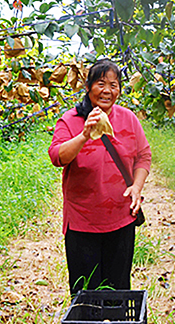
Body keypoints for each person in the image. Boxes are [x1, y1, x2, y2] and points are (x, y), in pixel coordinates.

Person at [48, 59, 151, 295]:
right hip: (83, 221)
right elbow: (57, 156)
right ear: (88, 86)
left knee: (118, 287)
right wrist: (85, 134)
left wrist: (136, 186)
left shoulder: (128, 119)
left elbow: (143, 156)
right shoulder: (71, 120)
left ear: (119, 90)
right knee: (86, 290)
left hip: (121, 218)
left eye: (114, 85)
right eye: (101, 83)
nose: (107, 90)